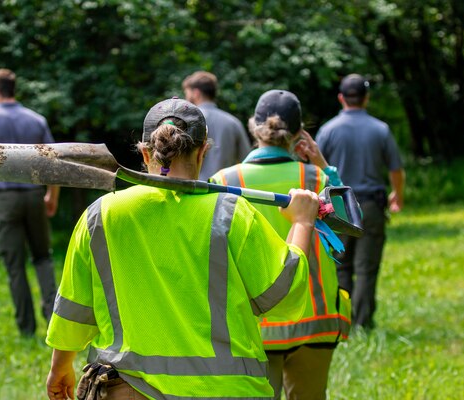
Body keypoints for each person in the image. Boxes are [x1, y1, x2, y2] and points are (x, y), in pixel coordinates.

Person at [45, 97, 321, 400]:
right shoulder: (230, 214)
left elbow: (75, 308)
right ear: (203, 151)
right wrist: (302, 222)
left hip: (127, 389)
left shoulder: (101, 215)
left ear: (144, 151)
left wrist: (60, 366)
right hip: (226, 391)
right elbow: (284, 297)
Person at [210, 90, 351, 400]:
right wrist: (322, 163)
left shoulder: (223, 181)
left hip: (254, 323)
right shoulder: (314, 178)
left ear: (253, 127)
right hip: (315, 318)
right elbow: (350, 223)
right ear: (300, 133)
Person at [0, 68, 60, 337]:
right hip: (33, 195)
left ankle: (26, 329)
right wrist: (51, 196)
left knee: (15, 265)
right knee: (43, 258)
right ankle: (54, 323)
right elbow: (54, 163)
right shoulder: (36, 120)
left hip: (4, 199)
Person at [316, 73, 405, 330]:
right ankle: (363, 323)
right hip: (371, 206)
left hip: (338, 207)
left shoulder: (328, 130)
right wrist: (397, 195)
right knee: (367, 268)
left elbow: (317, 170)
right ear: (366, 99)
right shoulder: (381, 129)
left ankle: (342, 320)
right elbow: (396, 169)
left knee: (341, 266)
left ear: (341, 98)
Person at [182, 71, 251, 180]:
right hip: (226, 191)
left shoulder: (185, 120)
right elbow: (247, 162)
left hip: (193, 190)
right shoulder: (233, 122)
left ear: (196, 93)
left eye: (187, 93)